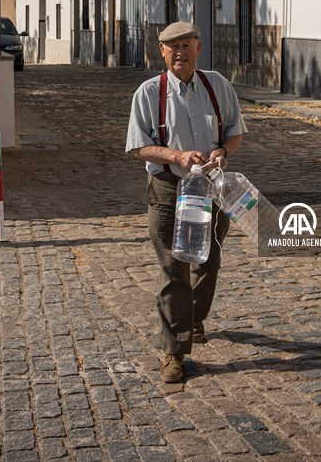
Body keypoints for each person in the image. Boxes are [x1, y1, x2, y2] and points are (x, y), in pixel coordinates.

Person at [126, 21, 247, 383]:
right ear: (161, 52)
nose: (180, 52)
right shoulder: (149, 93)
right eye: (172, 46)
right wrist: (176, 156)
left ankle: (193, 317)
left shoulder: (218, 86)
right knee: (173, 268)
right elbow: (138, 145)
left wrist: (223, 151)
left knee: (208, 258)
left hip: (211, 187)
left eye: (186, 45)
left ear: (199, 48)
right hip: (167, 186)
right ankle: (173, 351)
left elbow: (235, 133)